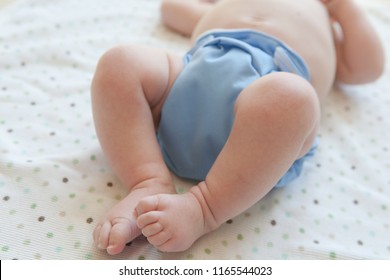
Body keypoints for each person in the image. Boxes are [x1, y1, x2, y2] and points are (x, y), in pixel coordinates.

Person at [91, 0, 384, 255]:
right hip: (190, 79)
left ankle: (203, 209)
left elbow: (368, 68)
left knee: (291, 96)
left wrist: (343, 7)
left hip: (267, 122)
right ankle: (147, 180)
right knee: (119, 63)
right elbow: (171, 10)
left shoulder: (324, 14)